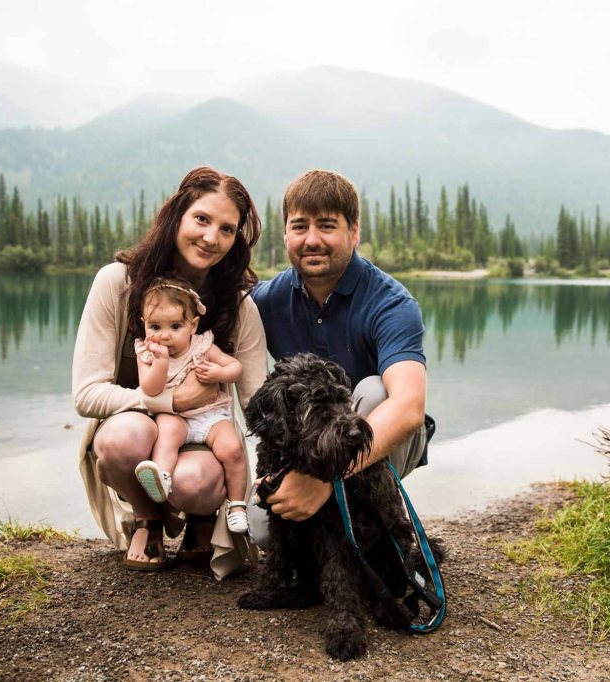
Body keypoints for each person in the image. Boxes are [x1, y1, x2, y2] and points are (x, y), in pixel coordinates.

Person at [72, 166, 266, 577]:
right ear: (176, 216)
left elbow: (258, 403)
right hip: (138, 430)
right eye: (202, 219)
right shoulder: (117, 284)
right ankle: (148, 518)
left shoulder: (238, 305)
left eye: (227, 229)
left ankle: (203, 517)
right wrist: (169, 400)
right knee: (123, 439)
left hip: (203, 435)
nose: (211, 237)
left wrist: (292, 471)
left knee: (194, 482)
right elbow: (87, 395)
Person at [251, 169, 428, 525]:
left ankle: (373, 510)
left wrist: (325, 481)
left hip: (379, 441)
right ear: (285, 233)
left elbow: (408, 408)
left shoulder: (392, 304)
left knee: (375, 391)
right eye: (299, 226)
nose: (311, 239)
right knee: (261, 532)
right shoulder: (265, 301)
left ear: (354, 231)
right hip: (313, 444)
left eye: (327, 226)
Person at [132, 277, 250, 534]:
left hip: (210, 415)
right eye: (155, 326)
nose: (164, 335)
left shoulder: (203, 346)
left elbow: (235, 367)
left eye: (175, 326)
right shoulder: (147, 353)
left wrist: (219, 373)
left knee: (232, 449)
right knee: (167, 433)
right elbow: (150, 389)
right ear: (144, 324)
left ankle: (237, 505)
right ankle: (162, 477)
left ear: (193, 325)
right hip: (175, 416)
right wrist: (161, 363)